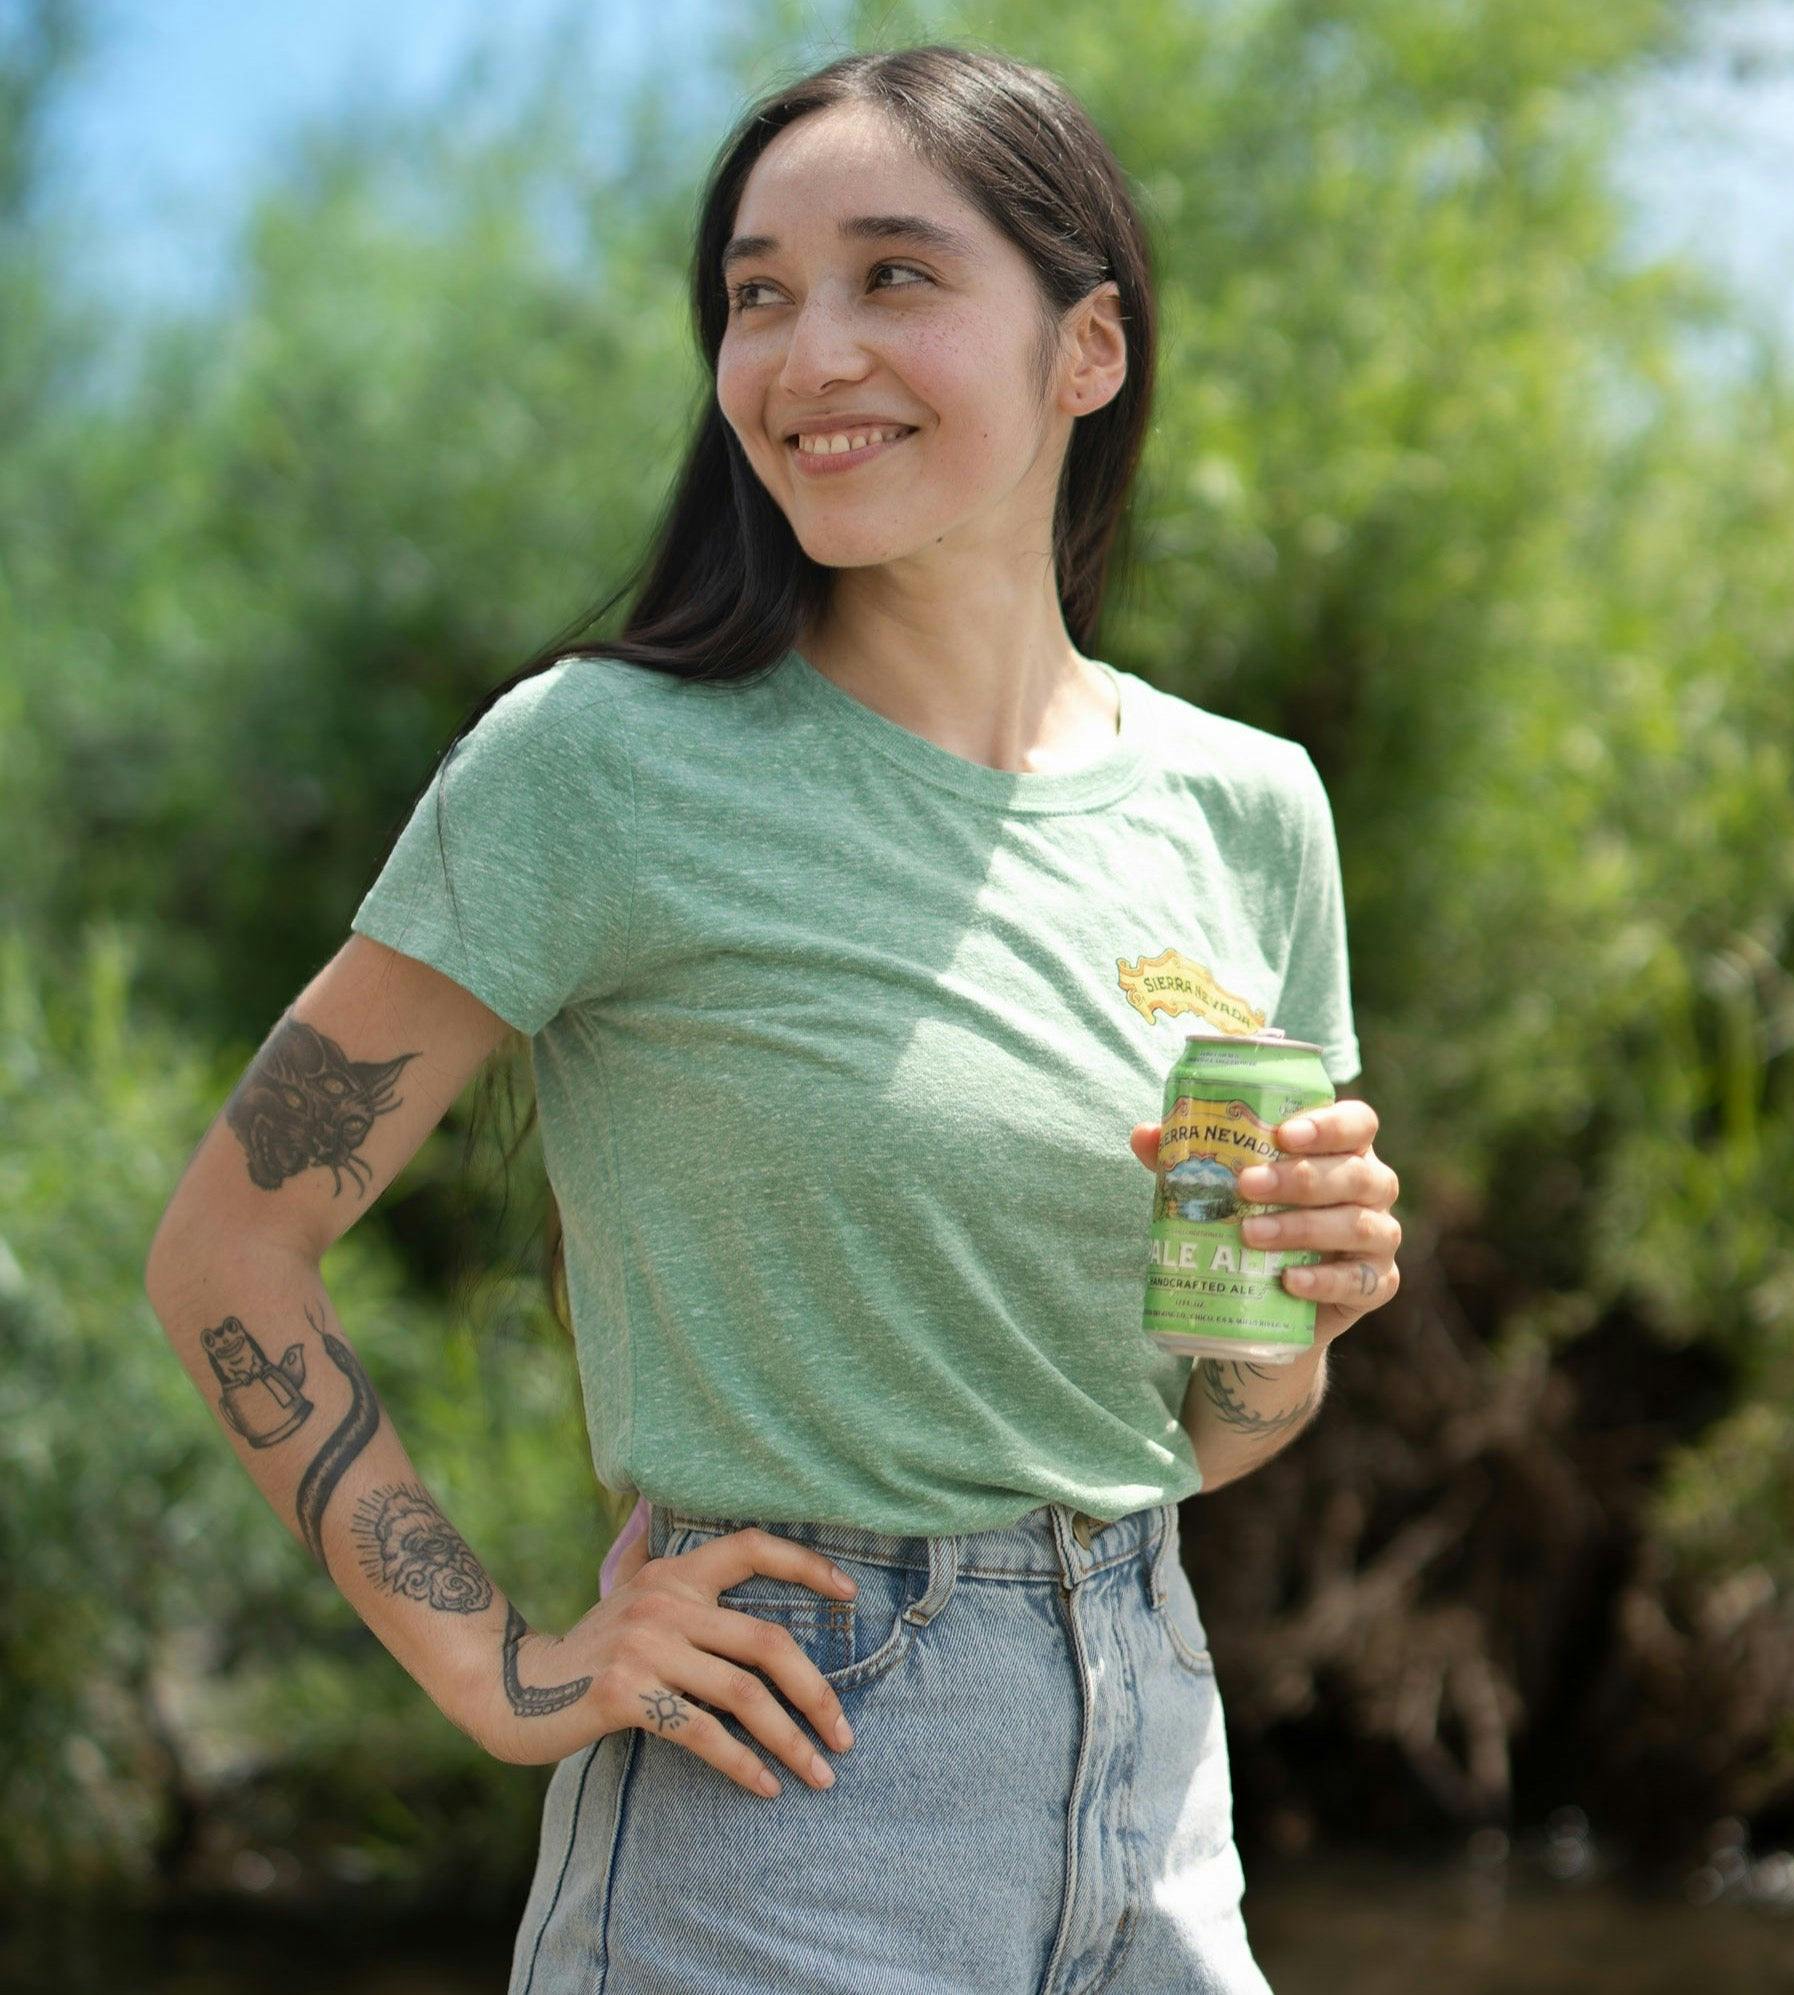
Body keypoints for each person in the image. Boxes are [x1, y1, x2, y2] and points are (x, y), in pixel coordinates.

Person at [143, 39, 1403, 1995]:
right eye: (755, 293)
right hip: (784, 1794)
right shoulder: (597, 767)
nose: (805, 354)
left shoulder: (1243, 810)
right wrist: (504, 1660)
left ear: (1088, 348)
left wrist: (1294, 1319)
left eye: (893, 275)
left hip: (1157, 1790)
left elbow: (1210, 1428)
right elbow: (231, 1244)